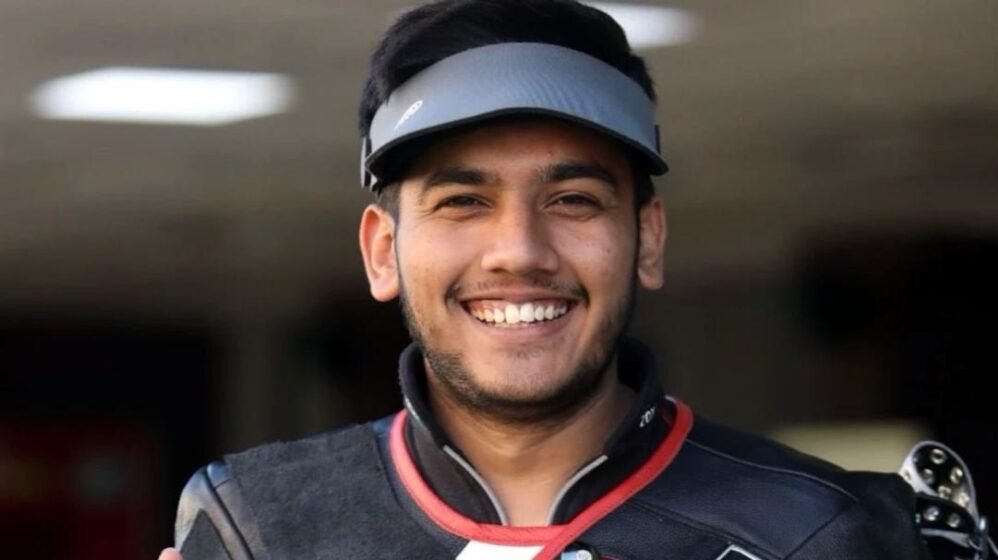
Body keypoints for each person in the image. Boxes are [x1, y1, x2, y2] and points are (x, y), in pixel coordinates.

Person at [159, 1, 933, 558]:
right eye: (463, 202)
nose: (519, 251)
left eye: (573, 200)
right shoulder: (262, 526)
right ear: (382, 252)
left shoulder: (820, 533)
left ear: (647, 238)